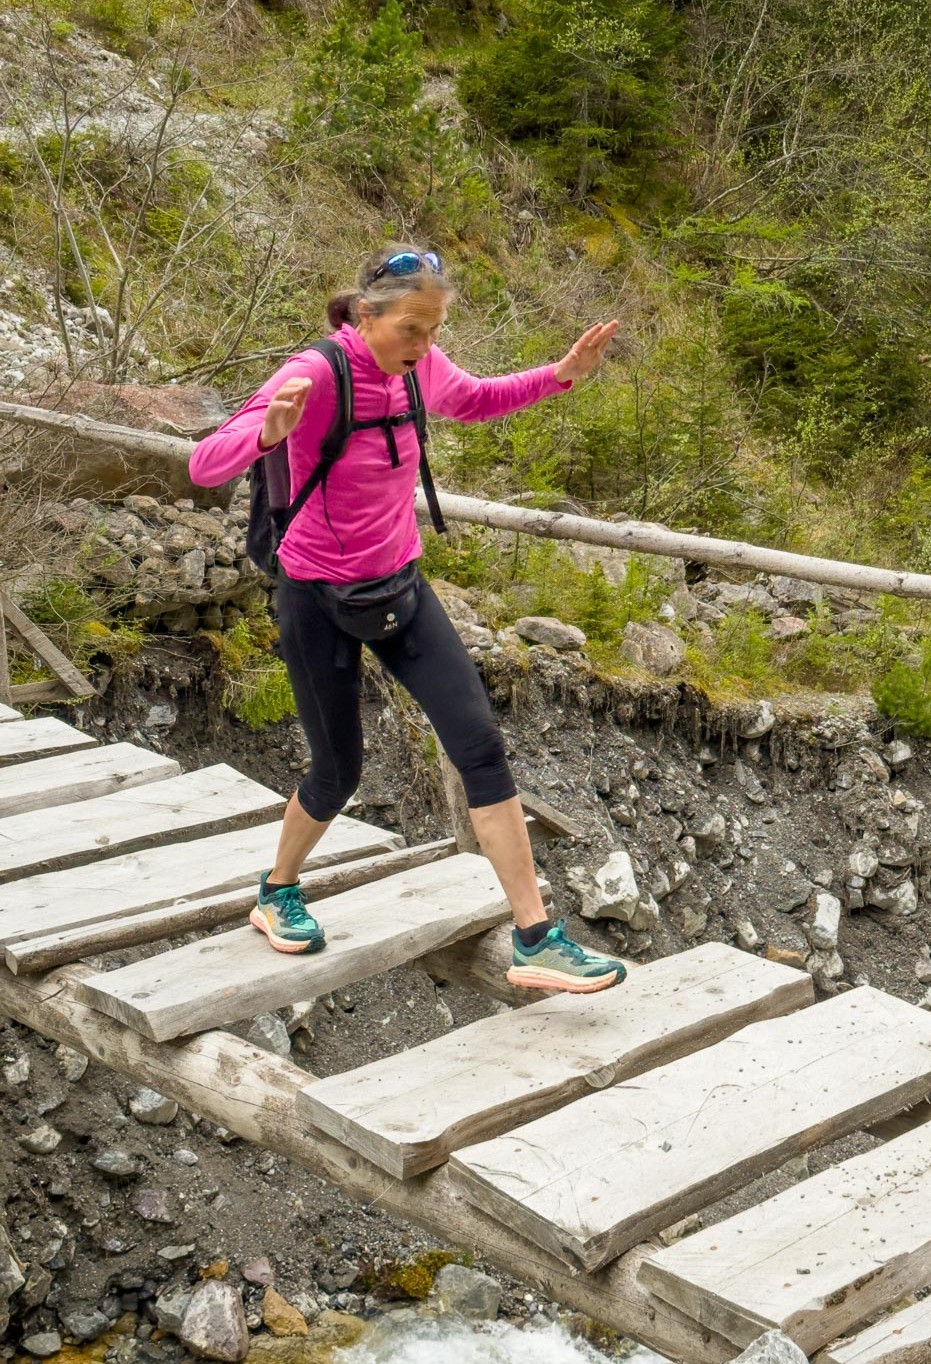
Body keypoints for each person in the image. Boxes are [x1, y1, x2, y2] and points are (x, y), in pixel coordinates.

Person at [189, 242, 627, 993]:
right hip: (317, 597)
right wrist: (264, 434)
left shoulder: (420, 366)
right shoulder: (316, 373)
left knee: (481, 747)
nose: (424, 346)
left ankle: (534, 938)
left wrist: (560, 375)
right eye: (412, 330)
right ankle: (277, 890)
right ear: (366, 315)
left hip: (400, 587)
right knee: (337, 771)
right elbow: (204, 464)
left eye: (434, 330)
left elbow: (475, 398)